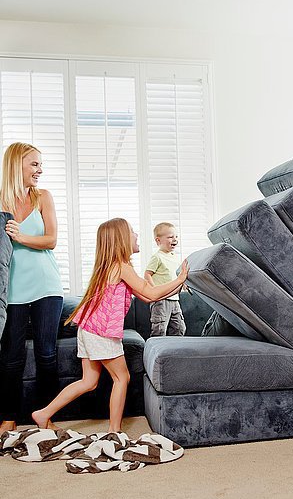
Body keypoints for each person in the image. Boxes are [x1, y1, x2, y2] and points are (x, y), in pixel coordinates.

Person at [32, 218, 189, 433]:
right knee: (121, 377)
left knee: (89, 382)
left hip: (88, 329)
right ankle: (114, 432)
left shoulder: (114, 267)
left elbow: (148, 297)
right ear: (121, 239)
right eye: (132, 231)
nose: (136, 235)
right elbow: (152, 292)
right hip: (101, 333)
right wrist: (180, 277)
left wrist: (180, 285)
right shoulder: (120, 266)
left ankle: (43, 414)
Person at [0, 142, 64, 436]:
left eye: (41, 164)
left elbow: (51, 240)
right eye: (34, 165)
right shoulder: (1, 200)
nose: (40, 170)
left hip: (46, 286)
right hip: (12, 289)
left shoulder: (43, 197)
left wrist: (21, 236)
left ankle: (45, 415)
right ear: (17, 166)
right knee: (11, 355)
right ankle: (9, 417)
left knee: (46, 354)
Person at [144, 222, 186, 337]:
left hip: (174, 299)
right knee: (160, 329)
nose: (175, 239)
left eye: (176, 237)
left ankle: (174, 352)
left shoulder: (175, 258)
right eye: (170, 237)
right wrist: (154, 290)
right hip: (161, 301)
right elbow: (147, 274)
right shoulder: (157, 257)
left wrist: (184, 285)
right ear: (158, 241)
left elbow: (177, 277)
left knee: (179, 328)